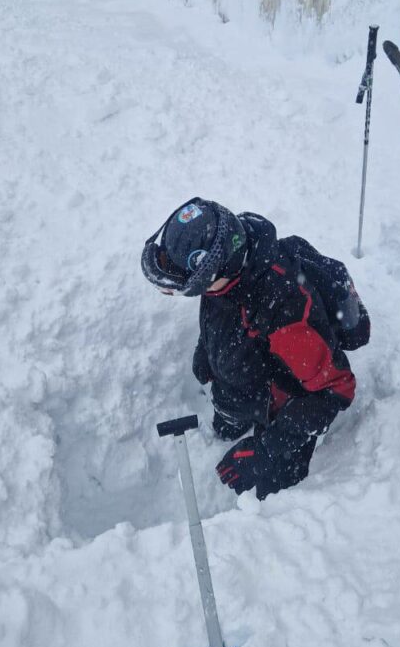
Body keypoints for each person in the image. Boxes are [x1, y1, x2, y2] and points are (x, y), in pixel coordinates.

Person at [141, 197, 369, 500]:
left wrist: (265, 451)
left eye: (188, 289)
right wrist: (207, 349)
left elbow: (336, 388)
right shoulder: (232, 266)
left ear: (213, 269)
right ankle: (234, 418)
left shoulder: (285, 312)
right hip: (244, 379)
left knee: (270, 500)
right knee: (226, 423)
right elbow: (223, 309)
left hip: (290, 409)